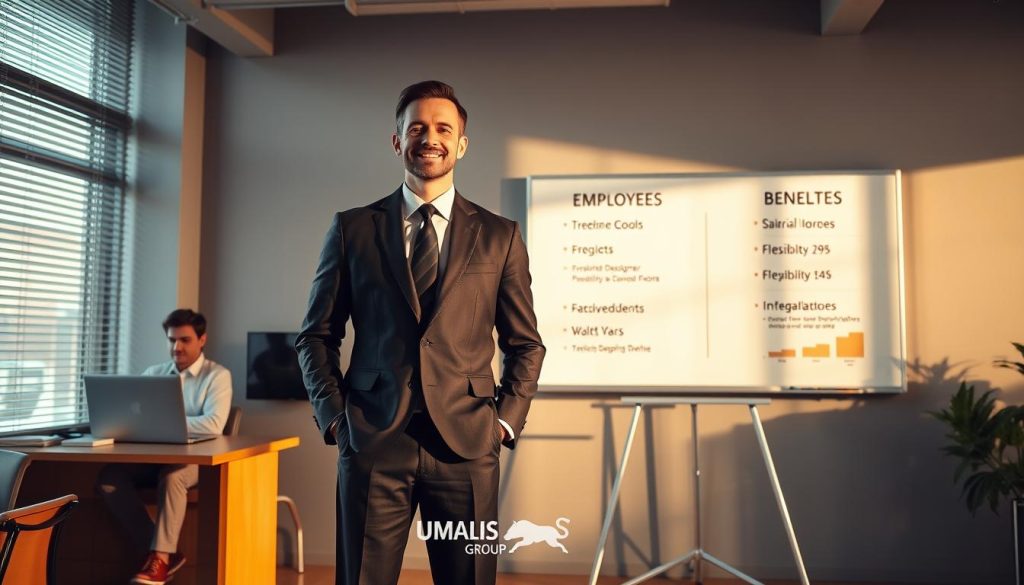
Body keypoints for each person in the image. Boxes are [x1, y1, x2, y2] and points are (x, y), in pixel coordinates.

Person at [296, 80, 545, 585]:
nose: (429, 137)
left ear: (461, 144)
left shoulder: (500, 236)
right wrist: (336, 420)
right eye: (416, 127)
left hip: (468, 448)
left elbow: (525, 344)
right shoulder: (353, 229)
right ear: (397, 141)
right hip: (371, 443)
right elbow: (316, 336)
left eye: (442, 128)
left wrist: (504, 423)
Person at [96, 308, 233, 585]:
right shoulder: (154, 373)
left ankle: (159, 558)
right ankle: (161, 552)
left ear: (202, 339)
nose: (177, 347)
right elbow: (134, 416)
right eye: (172, 340)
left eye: (184, 340)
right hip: (153, 458)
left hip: (195, 463)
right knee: (109, 478)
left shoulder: (217, 376)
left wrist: (168, 420)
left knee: (173, 476)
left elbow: (214, 424)